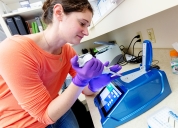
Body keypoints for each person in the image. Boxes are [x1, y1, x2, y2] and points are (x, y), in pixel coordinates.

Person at [0, 0, 122, 128]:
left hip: (55, 108)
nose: (86, 32)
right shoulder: (14, 50)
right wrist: (81, 79)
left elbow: (85, 89)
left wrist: (97, 81)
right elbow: (44, 115)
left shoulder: (67, 51)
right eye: (82, 23)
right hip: (22, 123)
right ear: (58, 13)